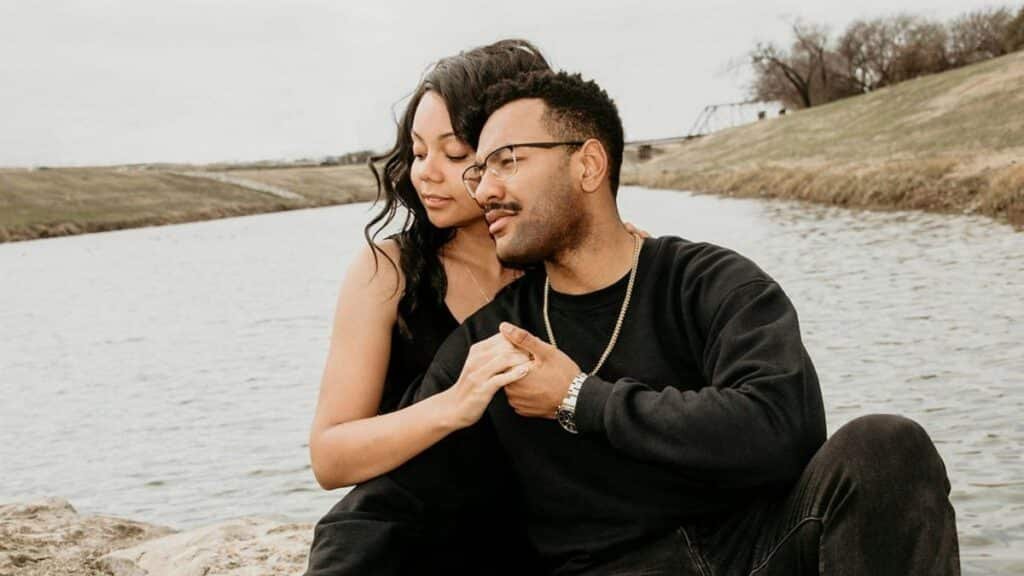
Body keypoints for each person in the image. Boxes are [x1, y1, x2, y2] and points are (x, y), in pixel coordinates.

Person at [310, 69, 961, 575]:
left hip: (759, 549)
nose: (485, 189)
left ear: (588, 164)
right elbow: (382, 508)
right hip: (609, 568)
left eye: (507, 162)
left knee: (886, 446)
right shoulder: (491, 340)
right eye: (479, 170)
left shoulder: (708, 281)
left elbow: (785, 427)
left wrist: (578, 398)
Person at [304, 39, 551, 574]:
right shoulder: (387, 269)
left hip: (535, 549)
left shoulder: (568, 268)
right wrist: (452, 404)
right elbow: (329, 456)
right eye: (418, 152)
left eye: (454, 153)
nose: (426, 173)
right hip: (393, 548)